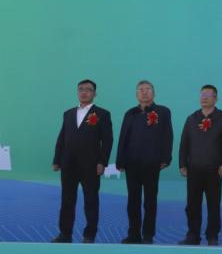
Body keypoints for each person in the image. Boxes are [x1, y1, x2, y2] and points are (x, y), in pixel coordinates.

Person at [51, 79, 113, 243]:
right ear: (77, 92)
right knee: (67, 199)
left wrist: (102, 162)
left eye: (88, 89)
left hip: (91, 165)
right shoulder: (68, 113)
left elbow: (107, 140)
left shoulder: (102, 114)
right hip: (68, 163)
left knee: (91, 200)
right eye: (81, 89)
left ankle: (89, 235)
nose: (84, 92)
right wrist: (57, 159)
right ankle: (65, 234)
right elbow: (62, 138)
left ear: (94, 94)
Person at [115, 80, 172, 244]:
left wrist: (166, 158)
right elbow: (123, 137)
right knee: (133, 200)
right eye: (141, 89)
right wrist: (120, 160)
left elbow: (168, 135)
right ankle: (133, 234)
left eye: (147, 89)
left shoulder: (163, 111)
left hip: (152, 163)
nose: (144, 92)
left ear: (153, 93)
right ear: (136, 94)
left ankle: (148, 235)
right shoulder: (130, 113)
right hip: (131, 163)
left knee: (150, 201)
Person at [178, 85, 222, 245]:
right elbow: (184, 143)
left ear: (215, 99)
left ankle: (212, 236)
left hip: (214, 170)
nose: (204, 97)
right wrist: (182, 164)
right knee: (192, 204)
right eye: (202, 94)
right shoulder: (192, 119)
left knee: (213, 204)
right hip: (194, 169)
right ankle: (193, 235)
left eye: (208, 95)